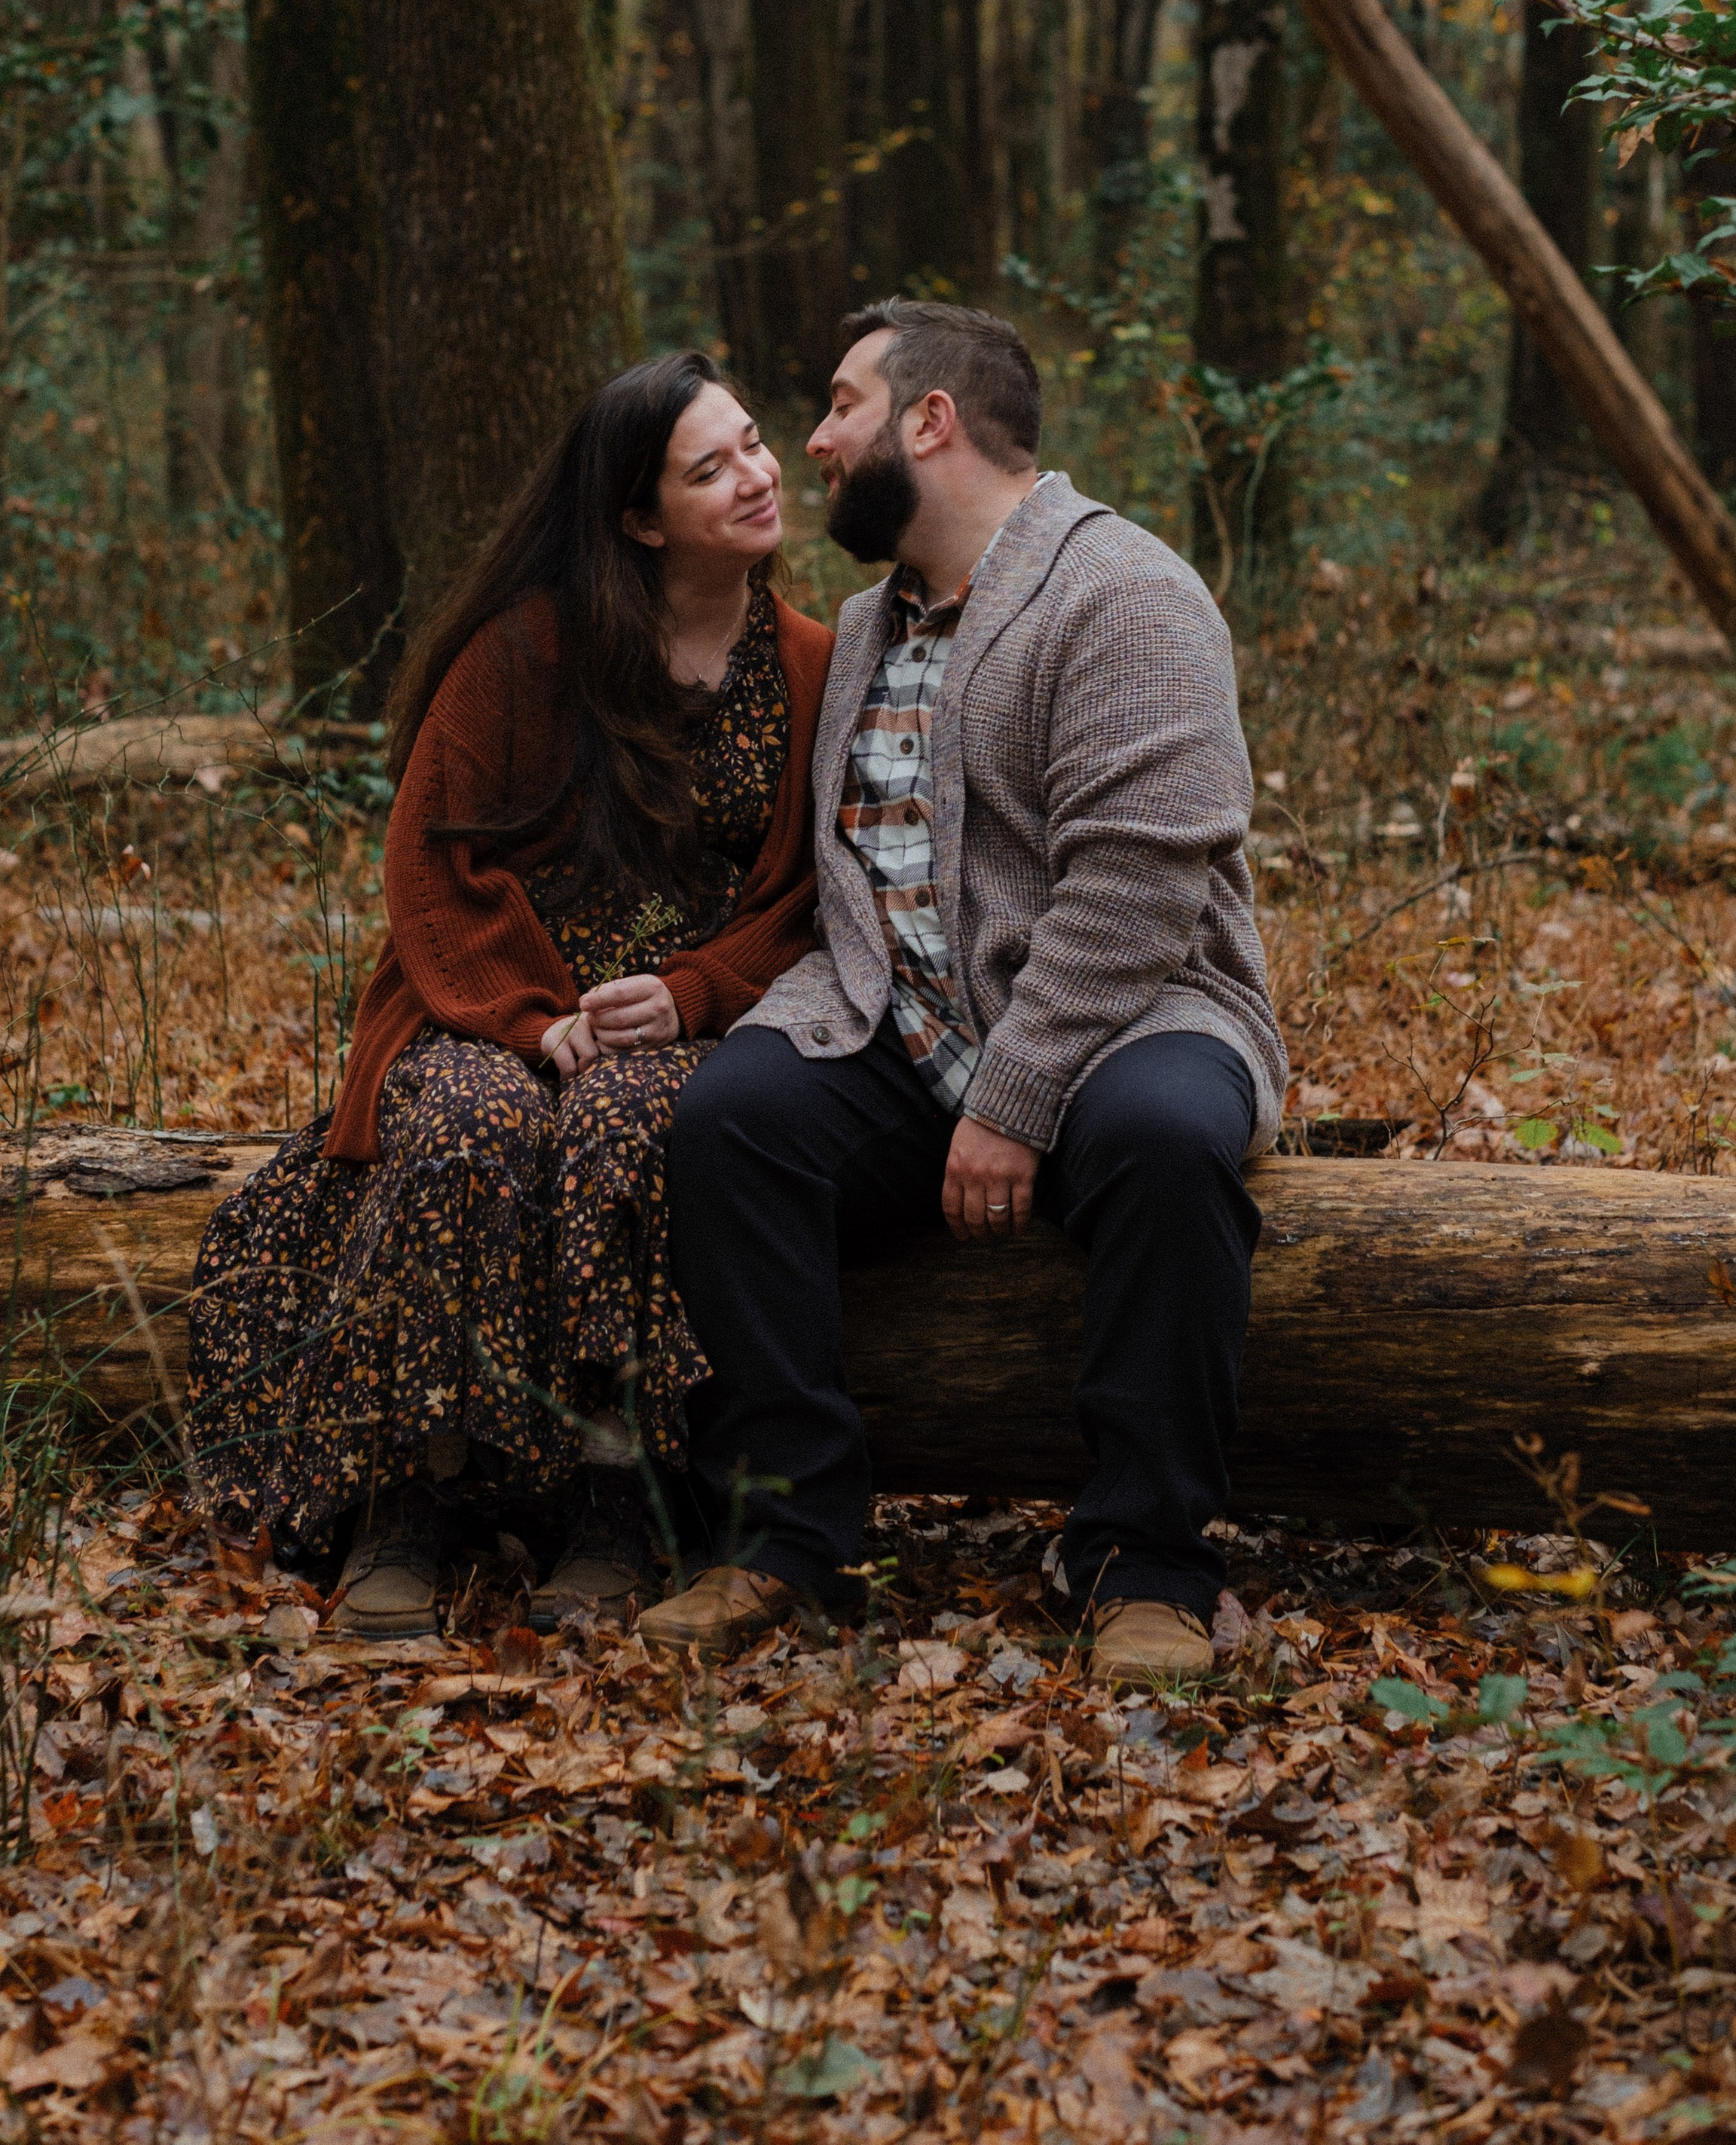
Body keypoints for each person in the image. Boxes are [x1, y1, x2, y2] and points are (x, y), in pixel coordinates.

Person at [639, 300, 1288, 1682]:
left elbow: (1136, 886)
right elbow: (856, 889)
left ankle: (1145, 1561)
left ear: (930, 421)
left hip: (1139, 1013)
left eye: (840, 407)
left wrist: (1014, 1095)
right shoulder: (871, 625)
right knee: (730, 1123)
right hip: (907, 1029)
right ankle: (788, 1539)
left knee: (1168, 1142)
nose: (810, 443)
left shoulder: (1130, 593)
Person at [187, 354, 834, 1639]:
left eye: (756, 444)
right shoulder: (527, 650)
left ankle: (614, 1499)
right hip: (487, 1002)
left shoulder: (813, 663)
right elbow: (435, 858)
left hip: (683, 1026)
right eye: (712, 468)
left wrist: (698, 992)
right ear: (641, 518)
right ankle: (411, 1497)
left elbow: (812, 894)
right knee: (474, 1124)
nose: (759, 476)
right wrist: (540, 1021)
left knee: (637, 1127)